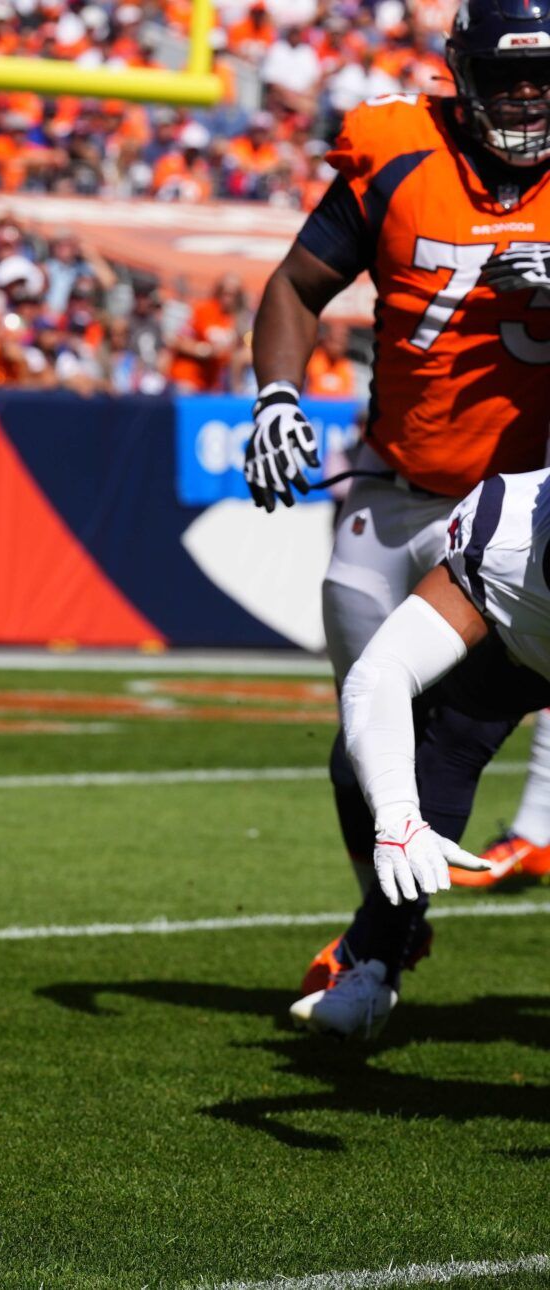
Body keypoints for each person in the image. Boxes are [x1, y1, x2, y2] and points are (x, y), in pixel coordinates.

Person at [244, 0, 550, 1035]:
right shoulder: (399, 155)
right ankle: (393, 924)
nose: (527, 94)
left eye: (543, 73)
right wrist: (277, 396)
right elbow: (296, 284)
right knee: (365, 737)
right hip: (396, 489)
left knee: (444, 732)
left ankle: (376, 953)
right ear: (460, 74)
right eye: (508, 76)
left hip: (530, 516)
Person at [293, 469, 550, 1037]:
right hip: (526, 645)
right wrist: (397, 815)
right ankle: (376, 963)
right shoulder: (505, 532)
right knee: (438, 754)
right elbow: (380, 676)